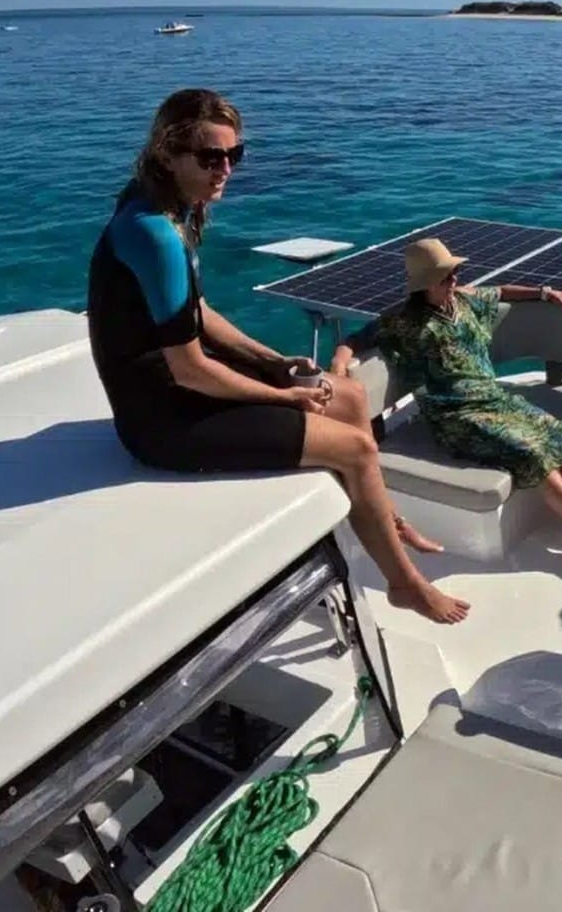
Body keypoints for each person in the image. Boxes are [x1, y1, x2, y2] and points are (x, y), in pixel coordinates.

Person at [86, 88, 469, 624]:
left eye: (233, 155)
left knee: (350, 394)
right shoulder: (153, 232)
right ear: (167, 154)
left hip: (178, 389)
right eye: (210, 157)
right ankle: (405, 584)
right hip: (163, 419)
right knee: (356, 447)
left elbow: (195, 308)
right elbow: (190, 367)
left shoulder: (167, 204)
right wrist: (281, 394)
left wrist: (270, 359)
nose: (225, 169)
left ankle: (380, 515)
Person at [328, 239, 562, 537]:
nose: (454, 279)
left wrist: (545, 293)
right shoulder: (401, 321)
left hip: (494, 399)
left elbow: (502, 291)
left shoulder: (465, 300)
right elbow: (354, 340)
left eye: (454, 273)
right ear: (425, 285)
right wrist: (339, 368)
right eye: (446, 276)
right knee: (531, 453)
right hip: (455, 416)